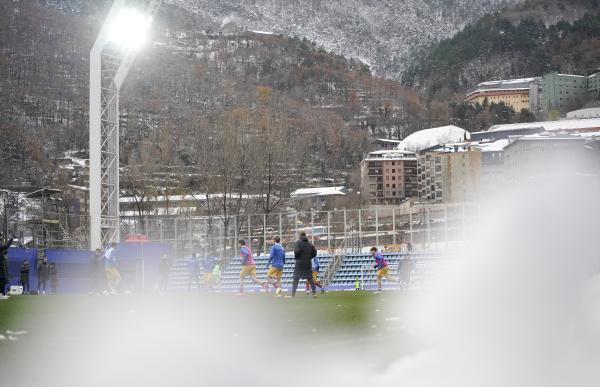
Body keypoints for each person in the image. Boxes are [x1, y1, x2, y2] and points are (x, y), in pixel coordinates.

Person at [291, 231, 317, 298]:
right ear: (305, 236)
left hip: (299, 262)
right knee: (310, 279)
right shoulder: (310, 244)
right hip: (308, 262)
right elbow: (315, 253)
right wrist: (309, 257)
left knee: (296, 278)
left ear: (300, 236)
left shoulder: (297, 243)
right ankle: (314, 293)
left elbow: (297, 251)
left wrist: (297, 257)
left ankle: (293, 294)